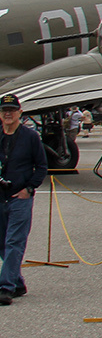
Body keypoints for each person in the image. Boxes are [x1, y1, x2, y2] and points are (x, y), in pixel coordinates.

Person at [0, 93, 48, 305]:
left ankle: (5, 287)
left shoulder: (30, 137)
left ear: (20, 112)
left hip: (20, 197)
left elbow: (42, 166)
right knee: (2, 243)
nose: (8, 114)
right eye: (4, 111)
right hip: (0, 197)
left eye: (12, 110)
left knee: (14, 241)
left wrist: (29, 189)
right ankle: (17, 282)